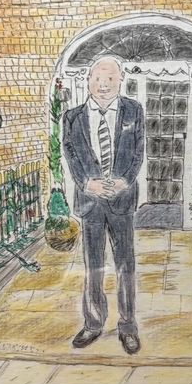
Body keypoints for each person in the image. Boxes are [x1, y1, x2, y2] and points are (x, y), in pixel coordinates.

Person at [62, 55, 144, 354]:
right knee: (93, 265)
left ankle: (128, 326)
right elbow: (71, 155)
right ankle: (93, 323)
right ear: (88, 81)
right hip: (90, 202)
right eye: (97, 78)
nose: (103, 84)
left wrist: (124, 181)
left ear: (120, 80)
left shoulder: (133, 111)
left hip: (122, 200)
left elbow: (138, 152)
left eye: (110, 78)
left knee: (125, 265)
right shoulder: (72, 117)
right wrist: (87, 184)